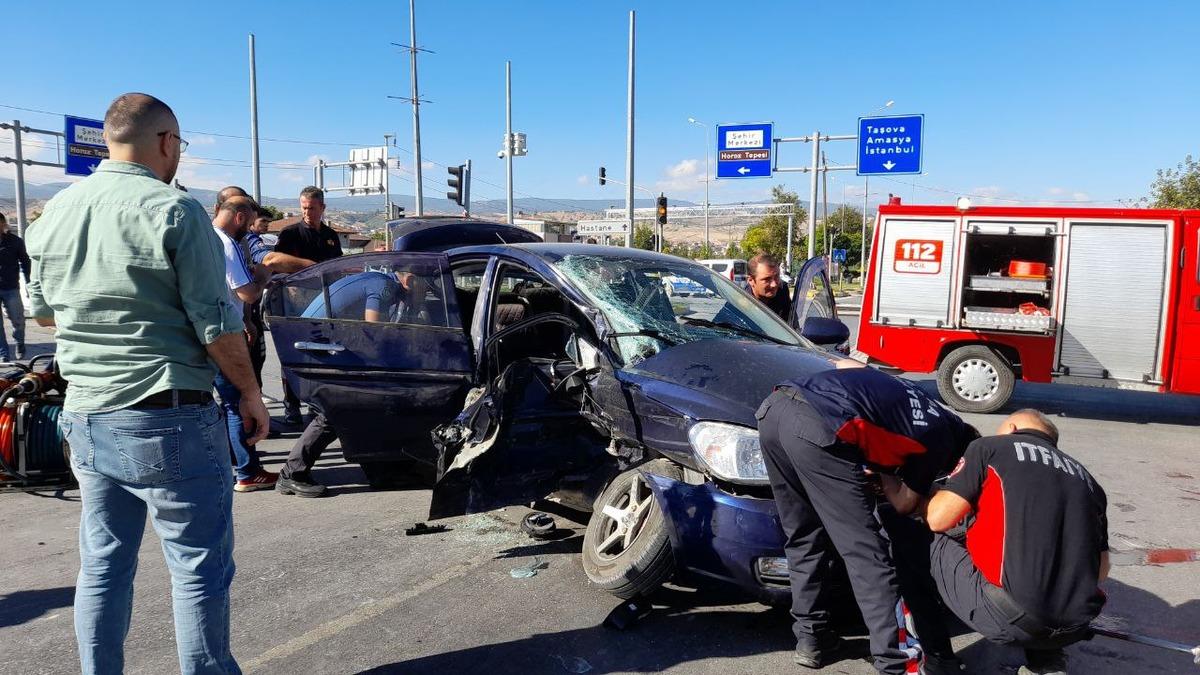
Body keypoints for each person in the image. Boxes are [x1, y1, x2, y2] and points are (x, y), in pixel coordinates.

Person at [26, 92, 267, 675]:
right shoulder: (174, 210)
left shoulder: (53, 211)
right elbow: (216, 322)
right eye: (179, 145)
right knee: (197, 568)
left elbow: (43, 313)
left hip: (84, 414)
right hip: (166, 412)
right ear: (165, 142)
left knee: (104, 565)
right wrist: (252, 393)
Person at [756, 366, 979, 674]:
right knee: (868, 553)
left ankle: (813, 638)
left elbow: (874, 423)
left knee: (804, 536)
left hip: (774, 410)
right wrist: (896, 483)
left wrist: (879, 473)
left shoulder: (927, 408)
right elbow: (904, 504)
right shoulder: (939, 440)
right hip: (820, 423)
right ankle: (896, 661)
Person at [925, 410, 1109, 675]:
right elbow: (1100, 571)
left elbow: (938, 519)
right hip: (1074, 628)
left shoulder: (989, 447)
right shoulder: (1089, 481)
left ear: (1011, 427)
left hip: (1006, 619)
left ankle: (936, 659)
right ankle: (1046, 658)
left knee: (923, 535)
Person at [277, 269, 430, 498]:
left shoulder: (380, 282)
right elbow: (372, 330)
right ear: (409, 280)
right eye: (425, 288)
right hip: (318, 346)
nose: (425, 294)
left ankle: (379, 471)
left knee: (364, 408)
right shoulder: (384, 287)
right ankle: (292, 474)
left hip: (322, 343)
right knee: (336, 411)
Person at [211, 195, 276, 492]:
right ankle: (247, 471)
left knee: (223, 404)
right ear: (239, 217)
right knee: (240, 403)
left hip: (206, 332)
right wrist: (262, 277)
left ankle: (232, 464)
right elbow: (247, 292)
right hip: (226, 334)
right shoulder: (227, 243)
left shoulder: (204, 238)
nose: (249, 229)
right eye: (248, 223)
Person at [266, 186, 342, 426]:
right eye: (304, 208)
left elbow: (338, 265)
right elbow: (276, 263)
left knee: (320, 356)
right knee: (292, 355)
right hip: (295, 304)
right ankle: (291, 407)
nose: (307, 212)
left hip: (325, 303)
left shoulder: (330, 235)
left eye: (312, 208)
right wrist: (310, 267)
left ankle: (316, 404)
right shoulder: (290, 234)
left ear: (322, 208)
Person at [0, 211, 31, 360]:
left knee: (18, 321)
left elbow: (26, 263)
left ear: (3, 224)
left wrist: (29, 285)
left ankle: (20, 343)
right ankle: (3, 354)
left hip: (11, 288)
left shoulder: (15, 241)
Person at [742, 252, 792, 320]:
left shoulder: (782, 290)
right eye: (767, 279)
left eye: (777, 276)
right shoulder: (740, 304)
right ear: (751, 280)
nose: (774, 285)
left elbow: (791, 322)